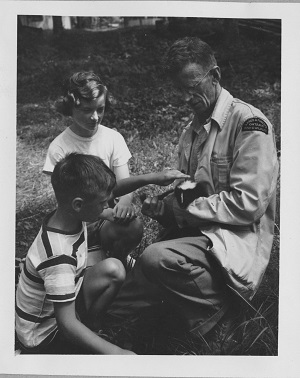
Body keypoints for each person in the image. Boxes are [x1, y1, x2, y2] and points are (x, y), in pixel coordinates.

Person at [105, 37, 279, 338]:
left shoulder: (249, 124)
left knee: (155, 258)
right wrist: (163, 206)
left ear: (215, 76)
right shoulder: (192, 131)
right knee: (123, 300)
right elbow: (189, 191)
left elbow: (248, 203)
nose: (186, 98)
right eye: (179, 90)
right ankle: (99, 324)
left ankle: (220, 315)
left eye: (193, 86)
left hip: (231, 242)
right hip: (196, 237)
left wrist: (183, 208)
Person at [15, 152, 189, 354]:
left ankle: (91, 327)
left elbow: (111, 191)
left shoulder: (69, 211)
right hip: (45, 336)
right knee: (97, 341)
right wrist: (117, 354)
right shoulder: (59, 256)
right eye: (102, 203)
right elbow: (67, 324)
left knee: (114, 269)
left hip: (62, 304)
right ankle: (86, 340)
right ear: (79, 204)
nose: (108, 206)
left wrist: (153, 177)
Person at [43, 71, 143, 267]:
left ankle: (118, 257)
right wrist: (106, 213)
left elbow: (124, 185)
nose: (95, 117)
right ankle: (95, 257)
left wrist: (124, 202)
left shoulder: (113, 138)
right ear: (70, 108)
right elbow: (68, 203)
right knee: (93, 273)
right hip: (78, 225)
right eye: (87, 110)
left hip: (108, 219)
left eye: (100, 109)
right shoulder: (60, 147)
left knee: (133, 227)